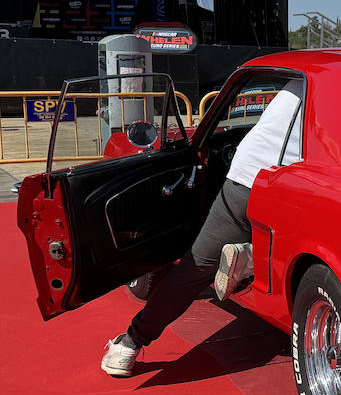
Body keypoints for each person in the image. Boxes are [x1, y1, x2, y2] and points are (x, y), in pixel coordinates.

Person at [101, 79, 305, 377]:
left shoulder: (298, 81)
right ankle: (255, 255)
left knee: (193, 269)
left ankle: (130, 344)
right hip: (295, 189)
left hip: (247, 176)